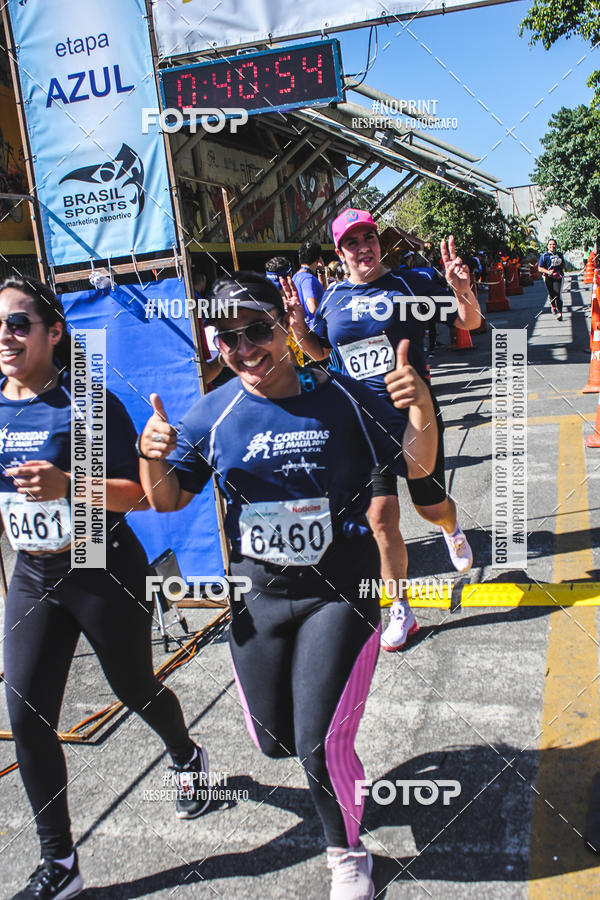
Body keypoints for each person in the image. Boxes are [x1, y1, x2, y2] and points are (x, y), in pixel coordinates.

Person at [138, 271, 438, 900]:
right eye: (229, 338)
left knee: (316, 741)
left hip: (342, 591)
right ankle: (324, 765)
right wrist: (150, 451)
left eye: (257, 331)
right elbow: (165, 498)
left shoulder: (345, 397)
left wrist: (422, 407)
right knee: (274, 741)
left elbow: (418, 462)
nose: (246, 349)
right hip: (259, 598)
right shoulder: (215, 411)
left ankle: (348, 857)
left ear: (286, 325)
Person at [0, 277, 211, 900]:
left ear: (53, 331)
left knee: (134, 687)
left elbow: (139, 495)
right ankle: (59, 863)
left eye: (18, 323)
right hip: (34, 572)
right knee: (26, 713)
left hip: (100, 559)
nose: (5, 337)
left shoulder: (84, 406)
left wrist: (68, 482)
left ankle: (186, 754)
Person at [286, 209, 480, 652]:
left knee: (429, 507)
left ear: (379, 242)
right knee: (380, 518)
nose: (363, 248)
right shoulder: (332, 298)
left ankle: (450, 526)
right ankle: (401, 611)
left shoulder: (412, 285)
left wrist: (462, 291)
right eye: (351, 243)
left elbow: (468, 323)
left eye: (368, 238)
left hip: (414, 420)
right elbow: (319, 352)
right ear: (339, 253)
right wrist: (298, 330)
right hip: (362, 429)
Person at [293, 239, 325, 327]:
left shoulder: (296, 277)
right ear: (318, 259)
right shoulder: (308, 279)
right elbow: (313, 307)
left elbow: (320, 293)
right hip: (315, 330)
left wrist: (321, 271)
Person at [538, 238, 565, 321]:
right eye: (550, 244)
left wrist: (564, 268)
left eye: (553, 244)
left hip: (558, 277)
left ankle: (560, 312)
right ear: (547, 246)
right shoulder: (544, 256)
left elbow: (563, 263)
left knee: (557, 294)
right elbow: (539, 268)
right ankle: (553, 305)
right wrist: (548, 272)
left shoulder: (559, 254)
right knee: (551, 294)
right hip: (548, 278)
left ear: (556, 246)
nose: (552, 246)